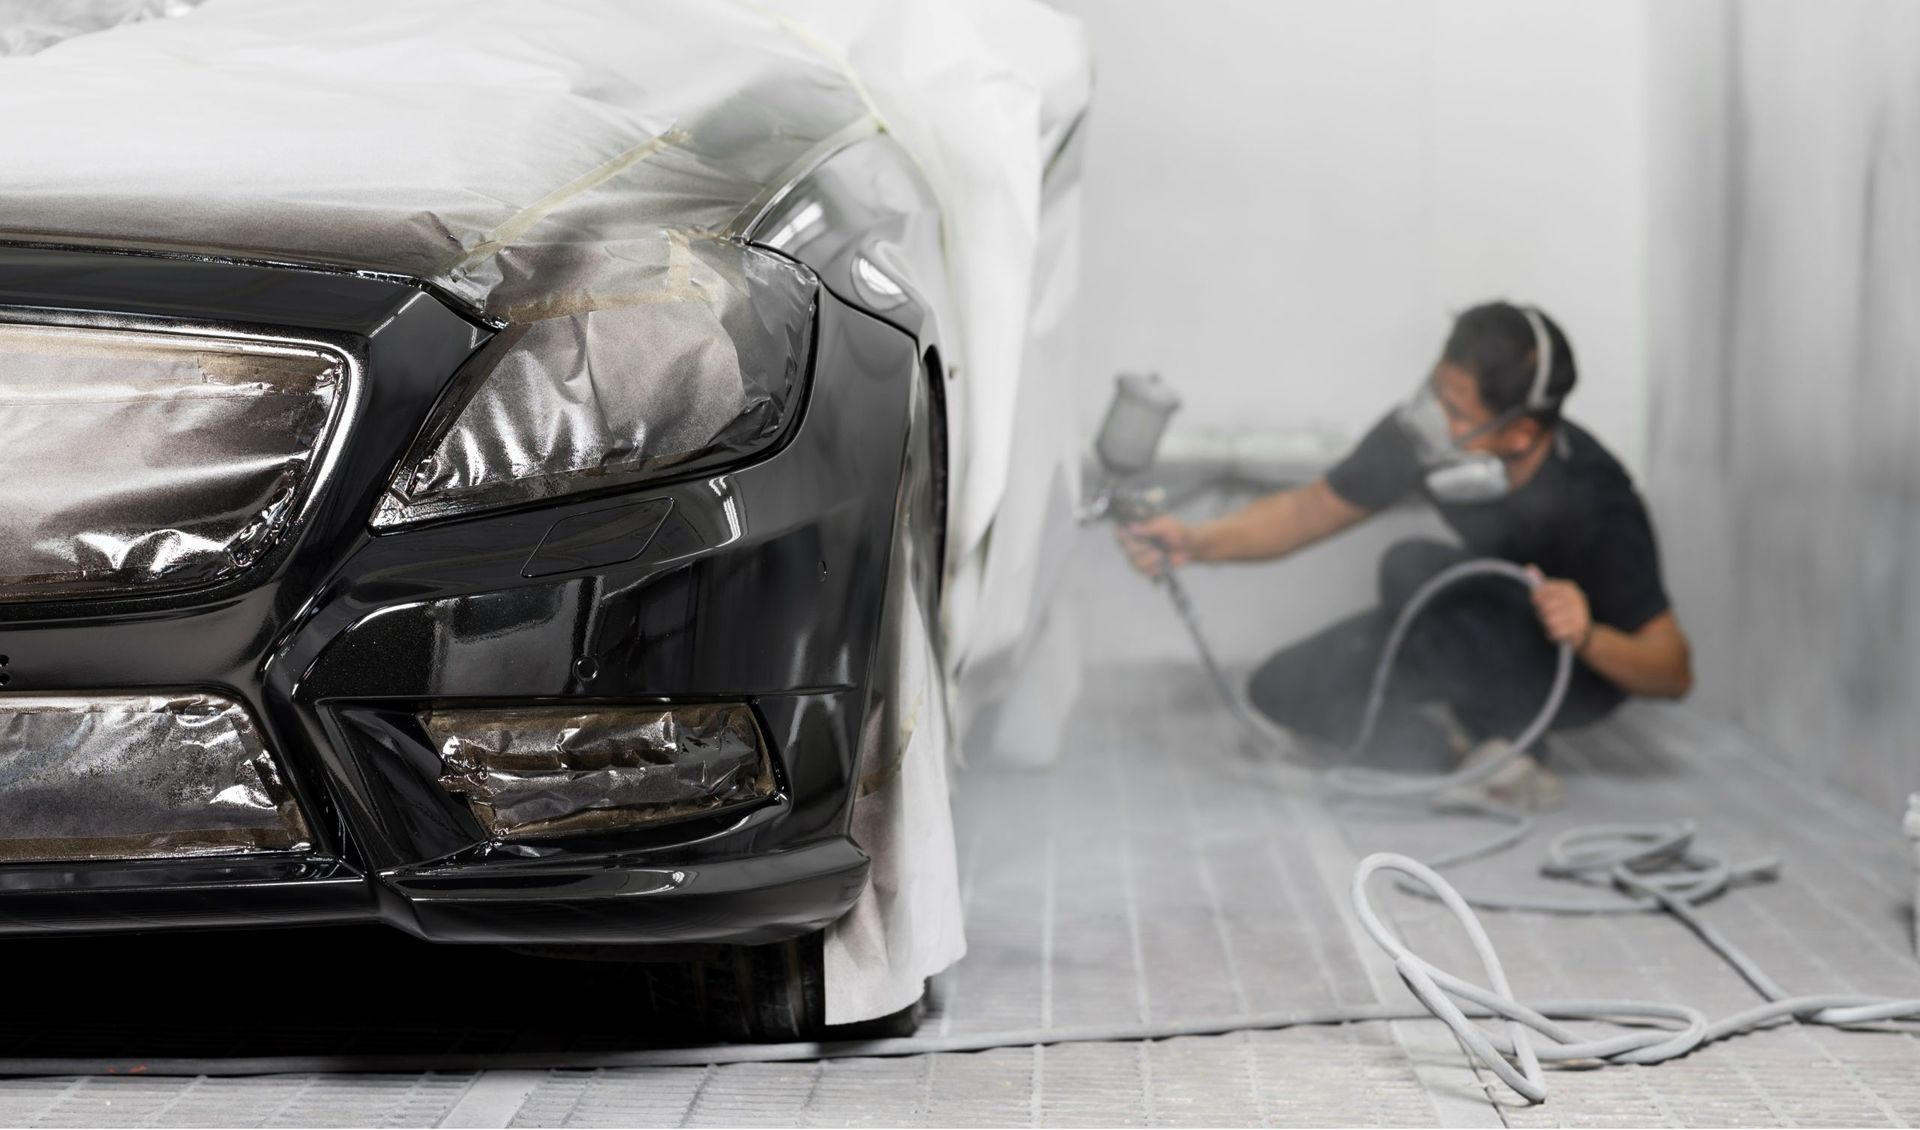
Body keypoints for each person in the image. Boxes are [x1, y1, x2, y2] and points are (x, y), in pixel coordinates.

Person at [1119, 302, 1692, 806]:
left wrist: (1586, 633)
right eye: (1435, 394)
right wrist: (1195, 542)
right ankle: (1457, 750)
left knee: (1411, 565)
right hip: (1468, 627)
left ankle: (1516, 749)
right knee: (1284, 688)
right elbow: (1308, 509)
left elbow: (1672, 670)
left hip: (1575, 667)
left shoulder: (1597, 500)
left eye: (1459, 414)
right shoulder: (1420, 437)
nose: (1434, 422)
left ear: (1519, 435)